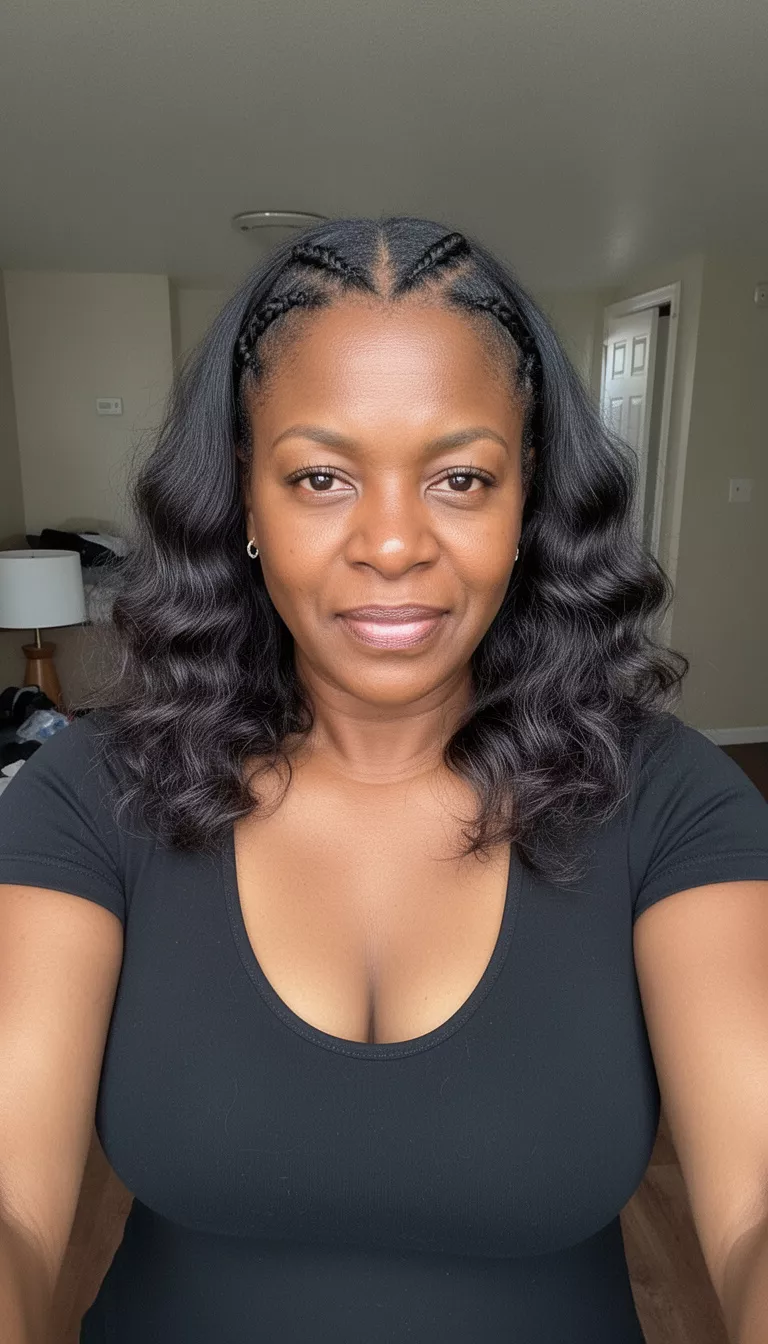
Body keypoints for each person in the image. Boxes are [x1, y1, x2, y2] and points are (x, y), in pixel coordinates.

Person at [0, 216, 767, 1344]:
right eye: (320, 477)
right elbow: (13, 1207)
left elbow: (755, 1206)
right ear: (246, 502)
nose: (395, 542)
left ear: (527, 506)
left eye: (460, 476)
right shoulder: (89, 791)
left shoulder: (671, 801)